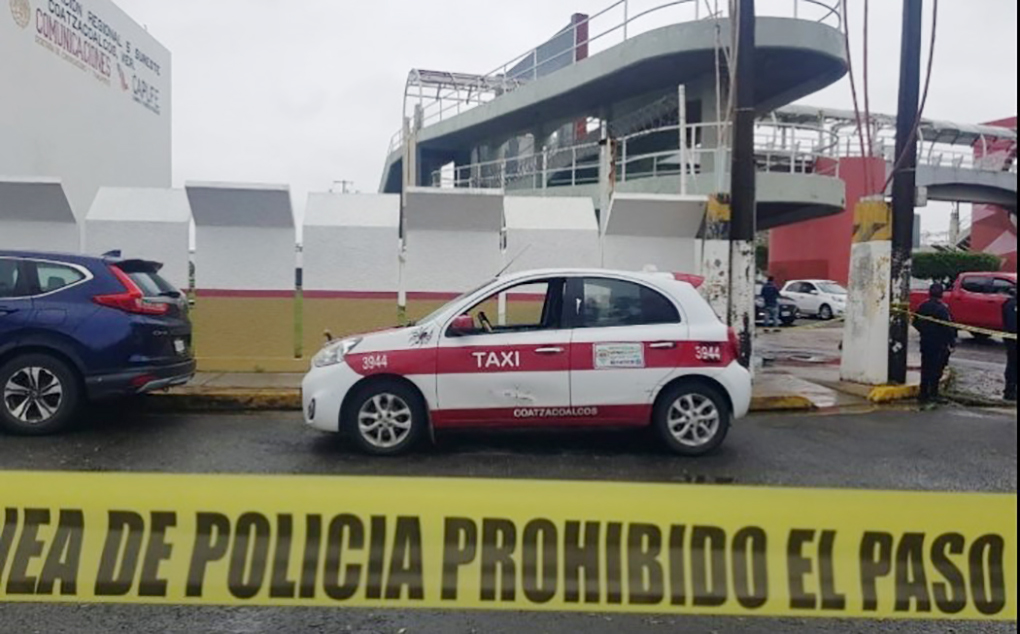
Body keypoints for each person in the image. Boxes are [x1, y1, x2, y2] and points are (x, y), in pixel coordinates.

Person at [913, 283, 957, 405]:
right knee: (936, 370)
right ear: (941, 294)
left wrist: (924, 331)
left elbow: (915, 322)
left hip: (926, 342)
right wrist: (952, 343)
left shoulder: (923, 306)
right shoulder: (942, 308)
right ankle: (933, 394)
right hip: (939, 344)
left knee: (925, 368)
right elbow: (948, 327)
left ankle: (923, 393)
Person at [1004, 287, 1017, 402]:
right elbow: (1011, 325)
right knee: (1013, 365)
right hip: (1013, 341)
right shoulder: (1011, 305)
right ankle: (1010, 390)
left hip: (1012, 339)